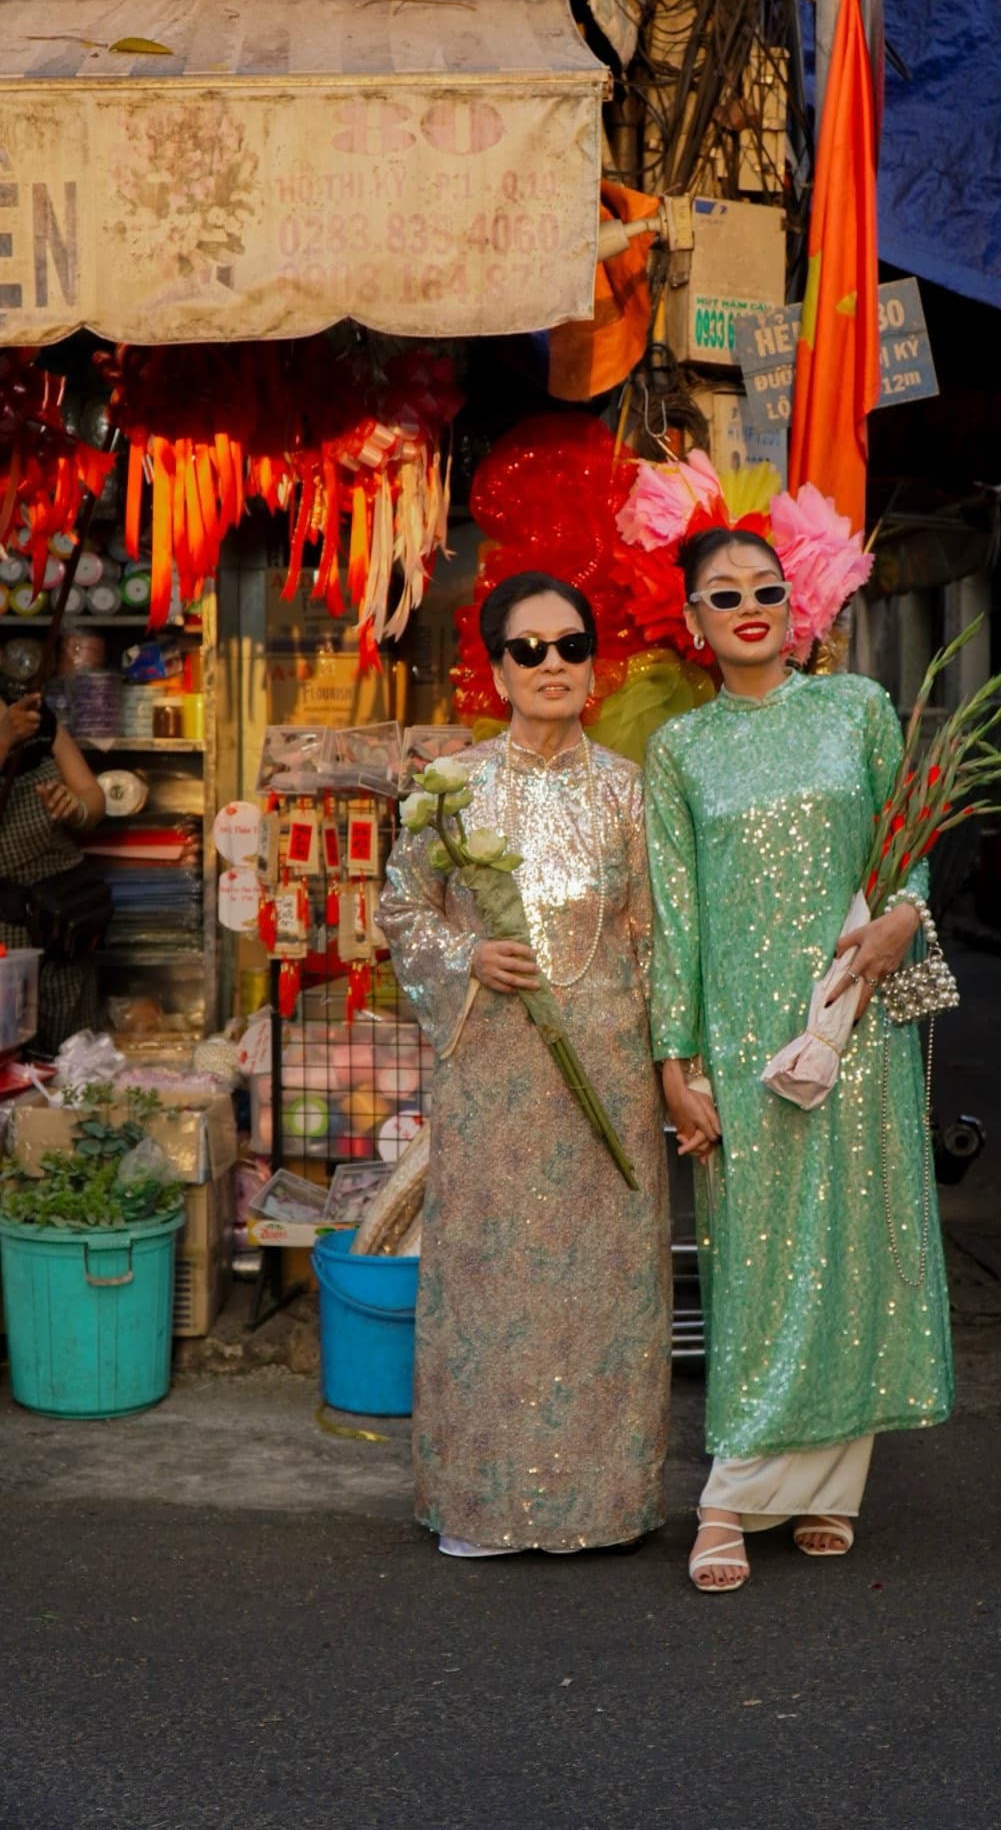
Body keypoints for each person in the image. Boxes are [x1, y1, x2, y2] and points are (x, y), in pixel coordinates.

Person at [644, 528, 954, 1592]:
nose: (747, 606)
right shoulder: (680, 749)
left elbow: (904, 840)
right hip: (742, 1032)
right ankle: (730, 1491)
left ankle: (827, 1486)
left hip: (853, 1014)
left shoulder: (856, 709)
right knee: (761, 1255)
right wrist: (671, 1057)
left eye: (765, 589)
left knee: (848, 1243)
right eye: (720, 594)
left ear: (797, 604)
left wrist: (901, 917)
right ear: (689, 621)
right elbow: (675, 914)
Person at [380, 573, 670, 1558]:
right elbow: (403, 912)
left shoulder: (630, 789)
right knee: (492, 1283)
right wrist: (467, 954)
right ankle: (484, 1502)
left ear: (595, 660)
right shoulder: (449, 788)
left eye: (570, 645)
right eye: (528, 648)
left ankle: (600, 1503)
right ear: (495, 665)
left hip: (609, 1076)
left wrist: (675, 1066)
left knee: (601, 1284)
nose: (553, 665)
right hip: (492, 1073)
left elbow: (653, 937)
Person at [0, 688, 106, 1054]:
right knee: (10, 1060)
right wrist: (4, 739)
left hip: (63, 916)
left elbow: (92, 794)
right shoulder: (12, 727)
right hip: (5, 933)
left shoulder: (37, 718)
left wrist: (76, 808)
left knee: (74, 1057)